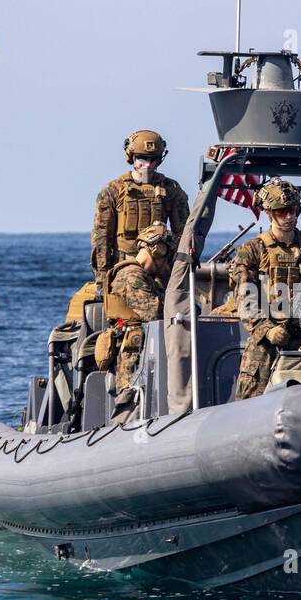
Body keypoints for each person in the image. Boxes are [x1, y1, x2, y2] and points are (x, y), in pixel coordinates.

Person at [229, 179, 301, 401]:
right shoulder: (252, 250)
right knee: (249, 398)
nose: (289, 217)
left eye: (292, 210)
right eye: (282, 212)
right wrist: (267, 330)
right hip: (268, 338)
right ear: (269, 214)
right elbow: (245, 298)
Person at [90, 130, 190, 293]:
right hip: (125, 269)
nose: (148, 165)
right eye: (142, 158)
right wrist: (102, 280)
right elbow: (102, 239)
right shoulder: (113, 191)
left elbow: (185, 233)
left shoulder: (170, 189)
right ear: (132, 157)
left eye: (153, 159)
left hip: (161, 269)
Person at [103, 222, 174, 422]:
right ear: (158, 251)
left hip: (142, 358)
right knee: (131, 409)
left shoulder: (142, 276)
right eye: (167, 259)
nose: (167, 266)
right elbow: (153, 314)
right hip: (133, 362)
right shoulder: (132, 276)